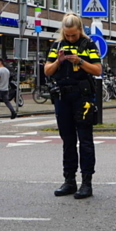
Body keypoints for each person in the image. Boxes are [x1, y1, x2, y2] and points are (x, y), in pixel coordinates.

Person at [44, 13, 102, 199]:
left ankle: (87, 183)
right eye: (67, 35)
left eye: (73, 35)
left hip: (82, 97)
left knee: (85, 140)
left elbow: (97, 69)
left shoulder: (89, 45)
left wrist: (80, 61)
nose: (70, 38)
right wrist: (58, 61)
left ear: (80, 31)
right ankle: (69, 180)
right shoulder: (57, 45)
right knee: (67, 140)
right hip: (62, 96)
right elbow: (47, 70)